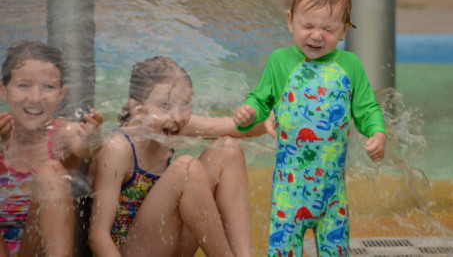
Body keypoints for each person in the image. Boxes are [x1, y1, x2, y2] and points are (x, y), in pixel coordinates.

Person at [233, 0, 387, 256]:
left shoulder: (350, 65)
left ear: (344, 31)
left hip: (332, 196)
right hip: (288, 194)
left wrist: (377, 132)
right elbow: (260, 99)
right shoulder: (280, 61)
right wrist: (250, 112)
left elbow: (367, 108)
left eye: (328, 29)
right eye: (307, 26)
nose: (316, 35)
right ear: (291, 21)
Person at [88, 56, 274, 257]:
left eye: (185, 103)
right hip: (130, 251)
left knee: (228, 149)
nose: (177, 116)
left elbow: (237, 128)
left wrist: (280, 118)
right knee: (186, 168)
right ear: (137, 110)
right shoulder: (119, 148)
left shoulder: (173, 126)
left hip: (168, 243)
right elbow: (97, 236)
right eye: (165, 106)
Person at [0, 40, 103, 256]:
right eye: (24, 85)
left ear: (61, 94)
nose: (35, 98)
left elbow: (84, 148)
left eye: (48, 87)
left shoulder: (62, 134)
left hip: (37, 250)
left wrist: (91, 141)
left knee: (51, 171)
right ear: (4, 90)